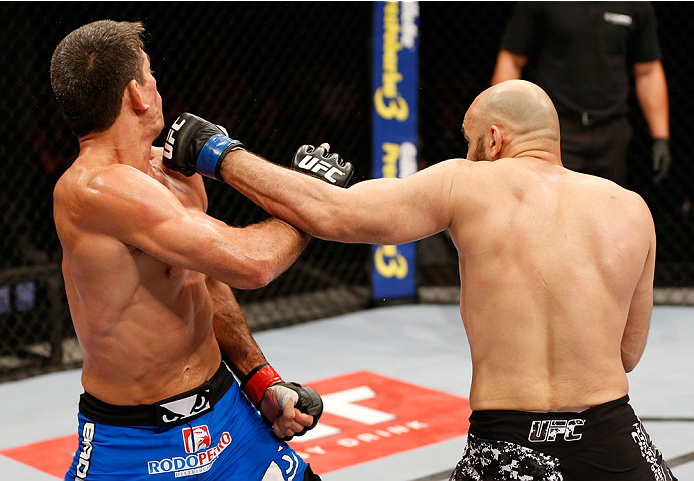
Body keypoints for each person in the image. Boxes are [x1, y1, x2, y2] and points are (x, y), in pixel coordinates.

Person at [164, 80, 677, 479]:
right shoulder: (632, 209)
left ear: (495, 140)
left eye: (471, 141)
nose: (470, 151)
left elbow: (333, 213)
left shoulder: (466, 180)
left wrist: (217, 153)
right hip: (613, 439)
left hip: (510, 444)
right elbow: (626, 355)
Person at [50, 20, 324, 480]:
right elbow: (254, 264)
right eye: (151, 74)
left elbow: (205, 280)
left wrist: (260, 381)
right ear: (137, 93)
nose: (158, 86)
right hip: (134, 444)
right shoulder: (92, 190)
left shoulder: (172, 172)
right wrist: (310, 199)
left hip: (226, 414)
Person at [491, 1, 671, 187]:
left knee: (608, 208)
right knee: (554, 207)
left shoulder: (636, 5)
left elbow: (648, 71)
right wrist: (501, 126)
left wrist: (661, 137)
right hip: (556, 130)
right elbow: (511, 60)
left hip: (611, 133)